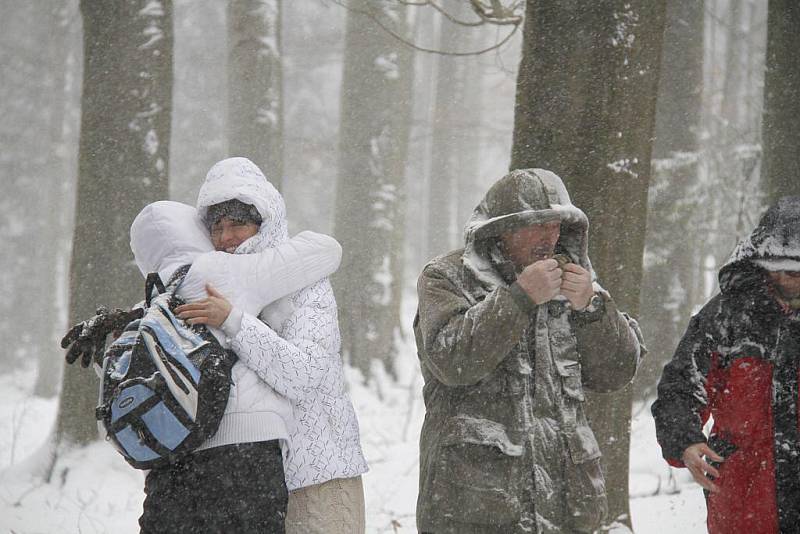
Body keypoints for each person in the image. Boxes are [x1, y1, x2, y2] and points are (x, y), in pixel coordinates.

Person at [413, 168, 644, 533]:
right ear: (499, 230)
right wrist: (518, 299)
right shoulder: (446, 277)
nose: (548, 236)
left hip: (567, 508)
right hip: (473, 507)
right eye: (534, 225)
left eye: (556, 225)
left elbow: (618, 371)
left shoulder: (575, 279)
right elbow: (451, 361)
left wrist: (593, 309)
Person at [190, 157, 369, 534]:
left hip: (317, 477)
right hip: (245, 482)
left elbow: (304, 374)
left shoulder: (307, 280)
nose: (226, 237)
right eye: (217, 227)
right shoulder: (206, 287)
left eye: (237, 223)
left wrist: (234, 322)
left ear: (264, 221)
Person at [651, 196, 800, 534]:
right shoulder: (725, 317)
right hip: (745, 500)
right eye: (791, 271)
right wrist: (686, 442)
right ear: (767, 265)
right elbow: (680, 387)